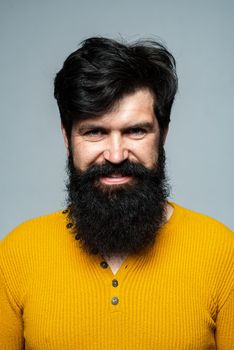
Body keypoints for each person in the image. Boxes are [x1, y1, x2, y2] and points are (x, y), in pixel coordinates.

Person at [0, 37, 233, 350]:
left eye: (135, 130)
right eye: (94, 131)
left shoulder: (223, 254)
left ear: (162, 134)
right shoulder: (15, 255)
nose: (115, 154)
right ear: (67, 139)